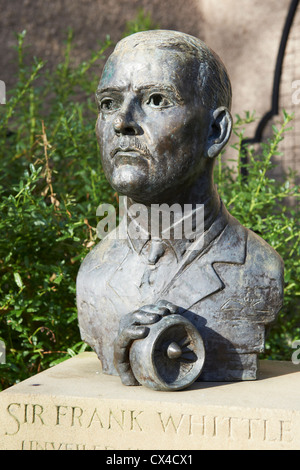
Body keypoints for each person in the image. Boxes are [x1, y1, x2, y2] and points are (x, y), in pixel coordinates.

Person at [76, 30, 284, 385]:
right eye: (108, 103)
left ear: (215, 132)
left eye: (156, 100)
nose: (121, 122)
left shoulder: (258, 268)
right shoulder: (94, 273)